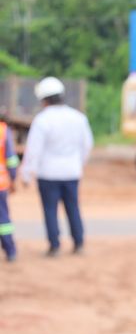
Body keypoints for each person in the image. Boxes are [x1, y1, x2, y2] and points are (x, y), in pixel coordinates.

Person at [21, 77, 93, 257]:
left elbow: (33, 151)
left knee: (50, 210)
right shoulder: (78, 118)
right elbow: (87, 145)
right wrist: (79, 164)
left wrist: (27, 174)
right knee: (73, 207)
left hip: (48, 174)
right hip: (71, 172)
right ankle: (79, 243)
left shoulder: (42, 120)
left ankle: (54, 246)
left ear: (44, 100)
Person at [0, 120, 20, 262]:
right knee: (3, 219)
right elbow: (11, 158)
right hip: (1, 182)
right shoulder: (2, 130)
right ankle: (10, 251)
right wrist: (13, 177)